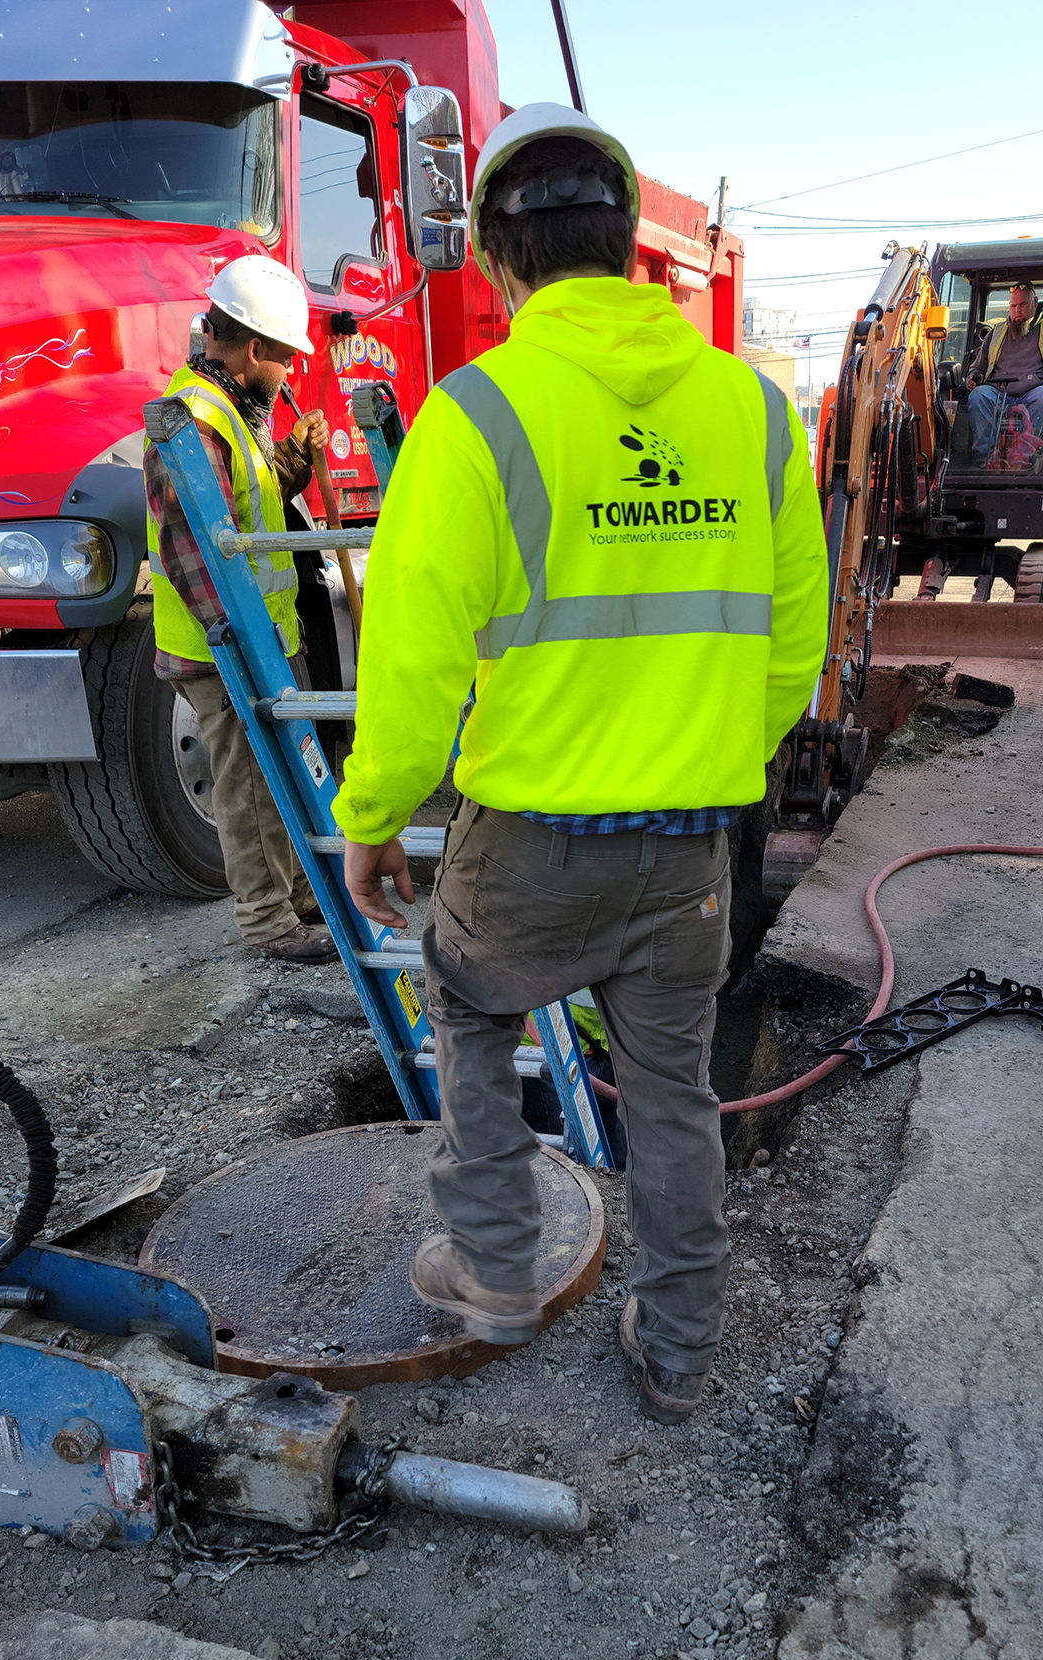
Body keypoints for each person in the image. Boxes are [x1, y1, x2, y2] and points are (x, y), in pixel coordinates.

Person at [333, 103, 828, 1425]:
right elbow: (796, 645)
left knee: (469, 1008)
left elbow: (412, 662)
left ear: (500, 262)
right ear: (627, 249)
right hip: (688, 842)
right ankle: (681, 1344)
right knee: (673, 1090)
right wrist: (707, 752)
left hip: (532, 839)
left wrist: (372, 813)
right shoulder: (754, 412)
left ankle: (496, 1272)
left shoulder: (475, 415)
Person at [144, 253, 335, 962]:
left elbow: (246, 510)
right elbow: (193, 543)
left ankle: (305, 894)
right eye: (285, 358)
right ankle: (267, 920)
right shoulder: (193, 418)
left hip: (257, 635)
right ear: (254, 349)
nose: (289, 372)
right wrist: (238, 640)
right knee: (251, 784)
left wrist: (293, 458)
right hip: (223, 645)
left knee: (281, 773)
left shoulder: (228, 407)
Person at [965, 280, 1043, 462]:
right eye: (1013, 306)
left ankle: (1023, 456)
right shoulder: (997, 332)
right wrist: (973, 376)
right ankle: (986, 456)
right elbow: (978, 366)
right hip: (999, 392)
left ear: (1035, 302)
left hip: (1034, 390)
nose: (1018, 310)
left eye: (1023, 304)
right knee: (978, 396)